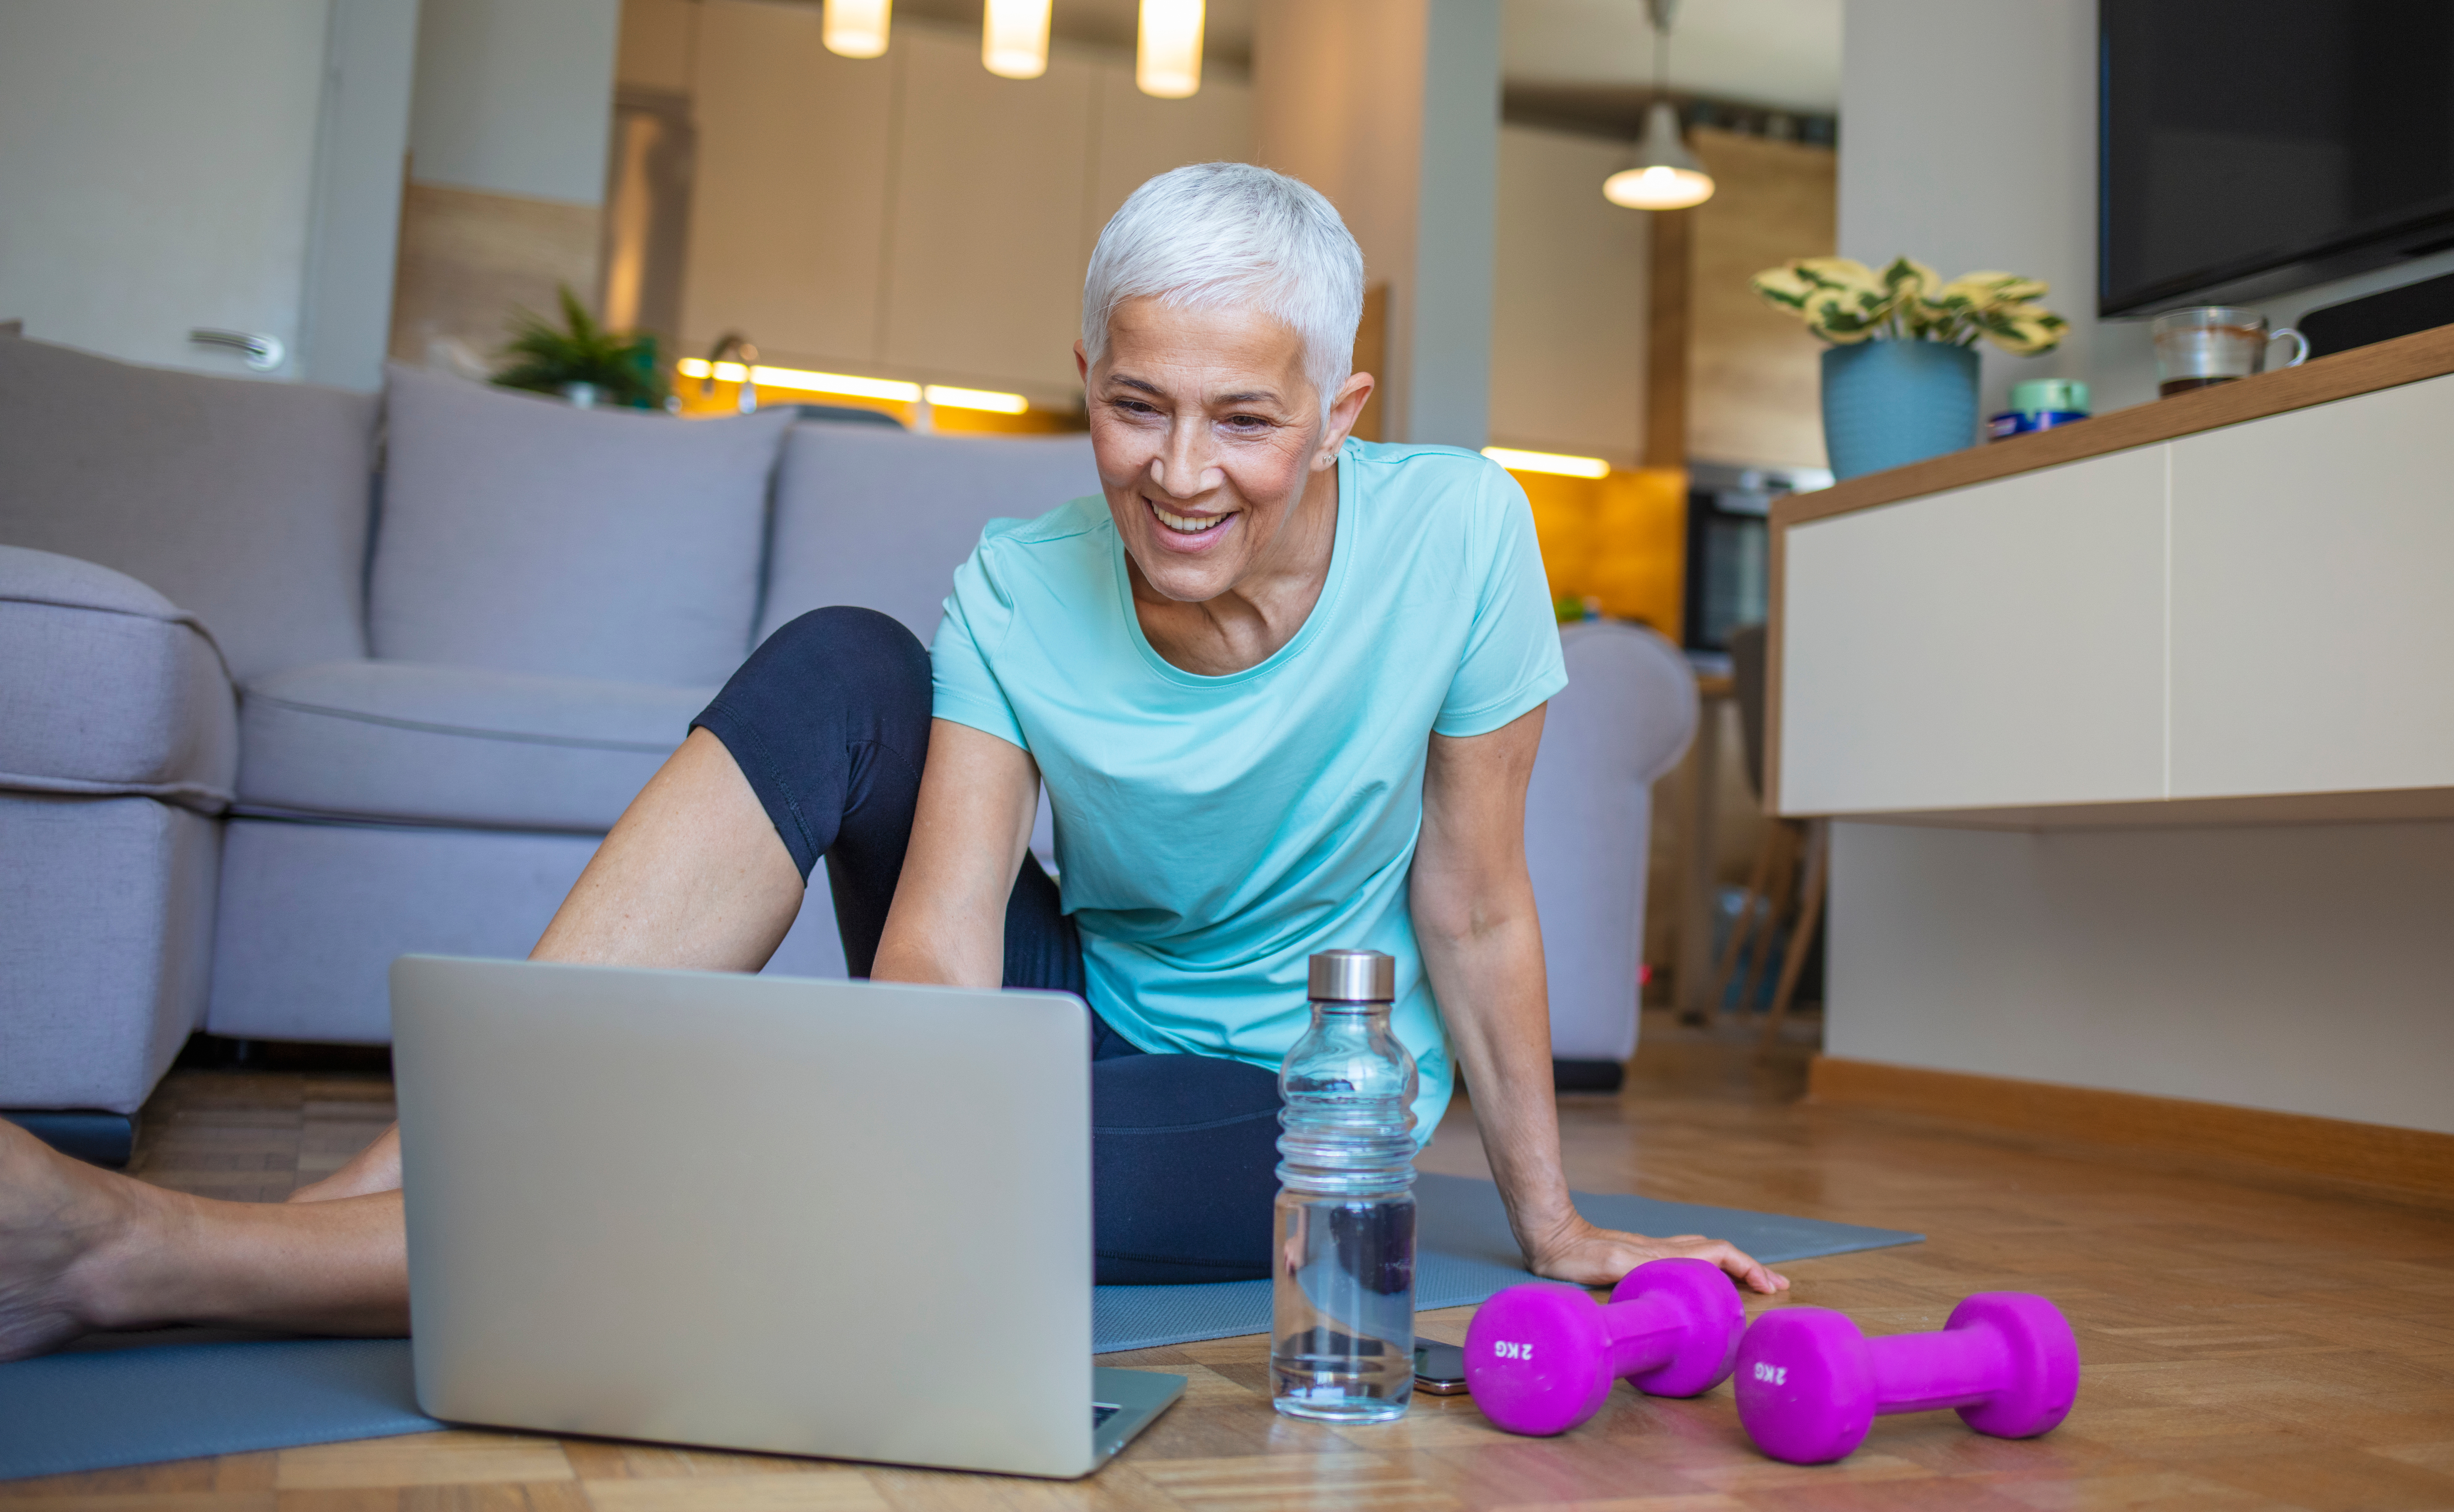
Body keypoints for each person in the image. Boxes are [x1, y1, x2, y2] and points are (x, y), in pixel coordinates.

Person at [0, 163, 1783, 1364]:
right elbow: (934, 944)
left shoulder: (1462, 535)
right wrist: (906, 1126)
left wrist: (1552, 1225)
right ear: (1082, 377)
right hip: (1071, 1005)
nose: (1180, 472)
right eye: (1135, 403)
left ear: (1340, 410)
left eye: (1246, 418)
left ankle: (155, 1254)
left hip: (1295, 1100)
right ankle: (389, 1188)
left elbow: (1471, 903)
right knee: (851, 661)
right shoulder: (1016, 585)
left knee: (821, 1131)